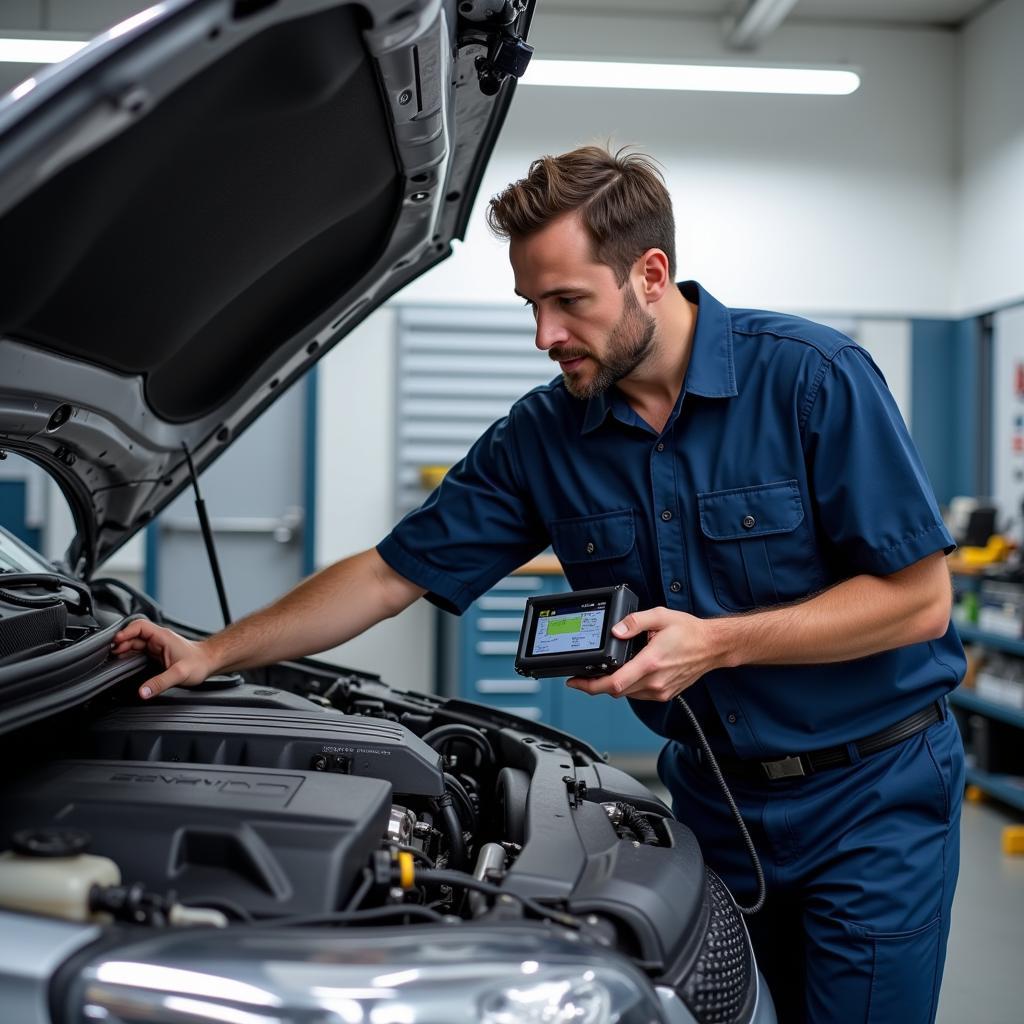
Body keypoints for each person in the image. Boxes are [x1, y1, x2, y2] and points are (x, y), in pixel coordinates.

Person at [113, 145, 965, 1023]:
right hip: (715, 803)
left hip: (872, 800)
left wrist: (719, 642)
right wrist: (212, 653)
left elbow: (918, 600)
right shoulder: (543, 437)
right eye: (532, 305)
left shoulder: (811, 379)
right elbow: (385, 574)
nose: (544, 335)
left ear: (650, 274)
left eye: (569, 302)